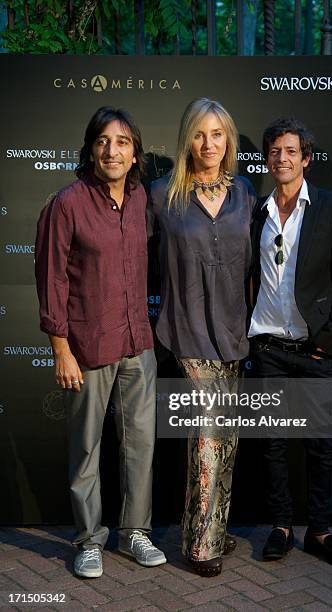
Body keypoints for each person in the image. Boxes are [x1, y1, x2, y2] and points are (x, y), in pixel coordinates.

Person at [35, 106, 166, 578]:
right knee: (87, 448)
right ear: (91, 149)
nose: (113, 150)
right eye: (104, 141)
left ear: (135, 154)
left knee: (139, 446)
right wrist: (61, 348)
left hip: (138, 342)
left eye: (123, 142)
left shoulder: (142, 200)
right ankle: (89, 540)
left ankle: (135, 533)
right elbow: (50, 280)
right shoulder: (67, 203)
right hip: (87, 344)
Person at [248, 117, 332, 568]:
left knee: (321, 445)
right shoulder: (257, 210)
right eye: (275, 151)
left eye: (291, 151)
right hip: (268, 347)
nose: (282, 158)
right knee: (273, 442)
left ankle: (318, 531)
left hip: (314, 350)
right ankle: (280, 526)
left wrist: (328, 340)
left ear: (306, 159)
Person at [150, 98, 256, 577]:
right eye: (199, 134)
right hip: (189, 332)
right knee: (206, 441)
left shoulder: (245, 194)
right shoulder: (161, 196)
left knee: (225, 440)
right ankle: (201, 546)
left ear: (228, 140)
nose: (208, 144)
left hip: (234, 333)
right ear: (186, 140)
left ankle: (210, 525)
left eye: (217, 134)